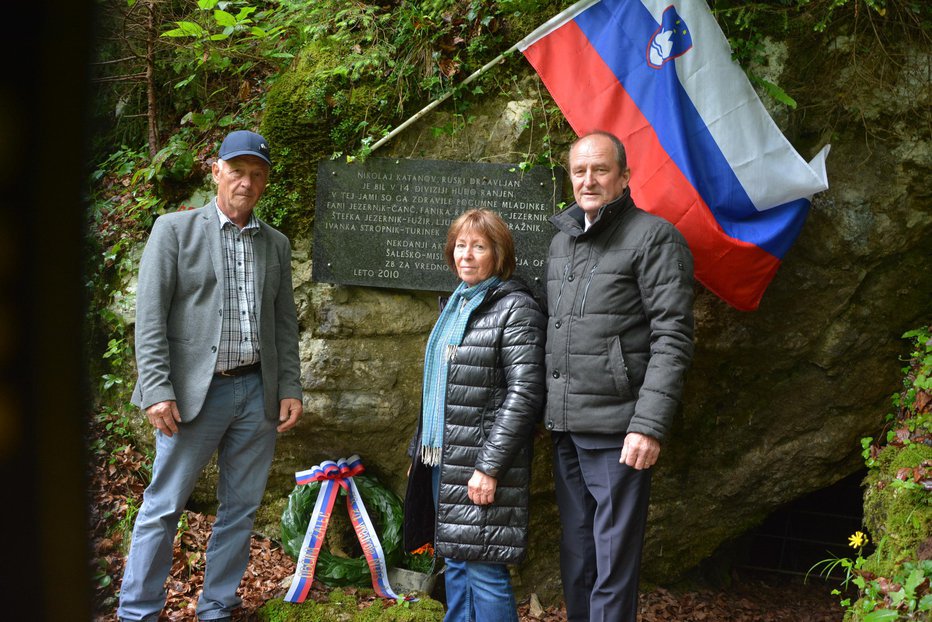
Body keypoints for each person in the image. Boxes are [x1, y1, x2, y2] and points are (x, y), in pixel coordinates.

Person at [117, 130, 304, 622]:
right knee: (163, 507)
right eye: (237, 171)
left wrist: (290, 388)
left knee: (240, 509)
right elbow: (151, 317)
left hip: (256, 393)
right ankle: (138, 611)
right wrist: (157, 390)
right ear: (216, 171)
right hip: (193, 395)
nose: (246, 181)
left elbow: (285, 324)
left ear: (265, 183)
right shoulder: (174, 230)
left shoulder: (276, 244)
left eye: (257, 174)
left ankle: (217, 605)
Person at [544, 131, 695, 621]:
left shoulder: (654, 237)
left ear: (624, 177)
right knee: (578, 558)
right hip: (566, 426)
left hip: (618, 431)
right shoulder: (562, 240)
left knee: (613, 564)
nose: (589, 180)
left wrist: (647, 425)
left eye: (600, 170)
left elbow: (672, 338)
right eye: (579, 171)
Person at [402, 209, 546, 622]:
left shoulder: (515, 308)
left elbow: (525, 394)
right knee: (458, 564)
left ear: (498, 254)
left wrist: (489, 467)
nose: (467, 255)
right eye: (460, 246)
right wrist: (420, 454)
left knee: (484, 570)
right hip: (442, 460)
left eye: (479, 246)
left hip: (481, 466)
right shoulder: (457, 305)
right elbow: (440, 389)